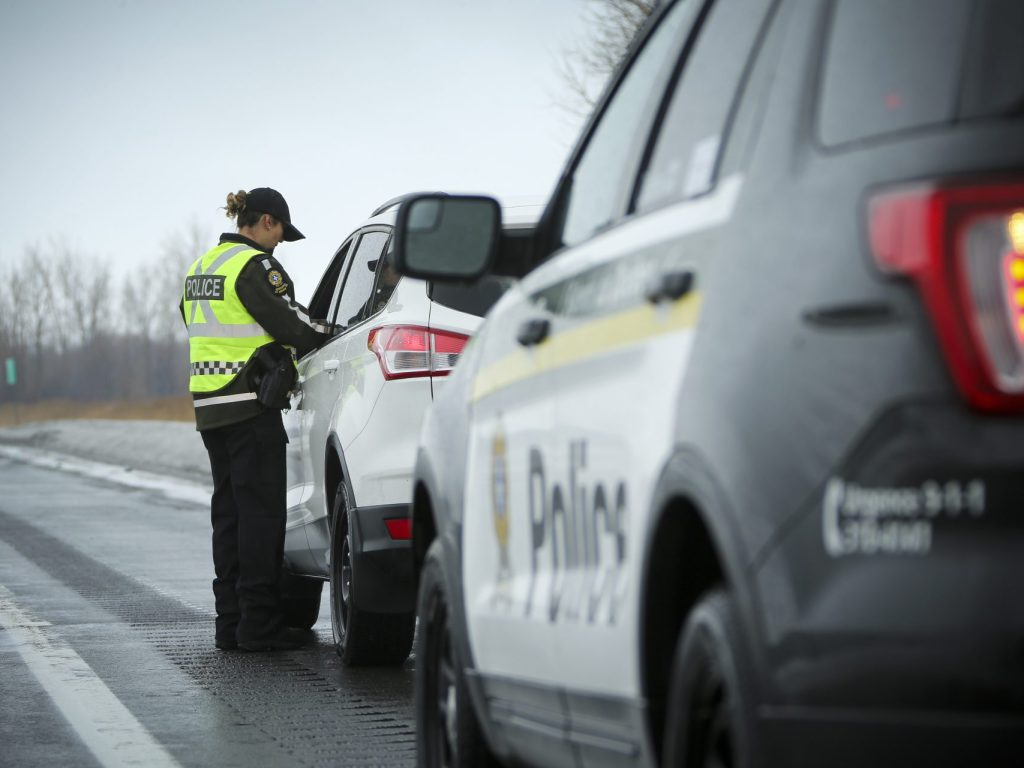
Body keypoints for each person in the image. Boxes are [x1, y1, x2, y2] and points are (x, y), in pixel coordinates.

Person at [180, 187, 331, 652]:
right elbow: (293, 324)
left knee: (228, 516)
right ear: (266, 221)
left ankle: (230, 625)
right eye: (281, 234)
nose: (279, 245)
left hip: (210, 408)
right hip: (250, 406)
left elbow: (200, 327)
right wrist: (334, 333)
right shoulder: (253, 265)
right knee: (260, 518)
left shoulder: (201, 267)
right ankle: (259, 627)